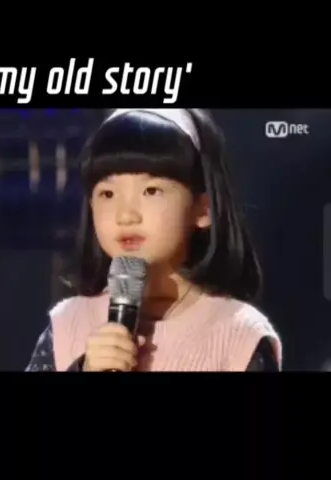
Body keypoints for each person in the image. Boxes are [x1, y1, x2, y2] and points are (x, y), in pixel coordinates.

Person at [26, 108, 282, 372]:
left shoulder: (239, 335)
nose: (126, 215)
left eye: (151, 191)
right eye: (108, 194)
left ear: (203, 209)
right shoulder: (69, 323)